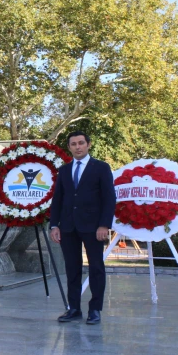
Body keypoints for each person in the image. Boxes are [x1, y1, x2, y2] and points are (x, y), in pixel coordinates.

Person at [49, 131, 116, 325]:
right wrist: (54, 225)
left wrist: (104, 224)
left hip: (94, 227)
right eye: (73, 144)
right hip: (68, 227)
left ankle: (95, 309)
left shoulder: (101, 168)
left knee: (96, 268)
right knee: (72, 269)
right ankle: (74, 308)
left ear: (88, 144)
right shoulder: (63, 170)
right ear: (69, 147)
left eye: (81, 143)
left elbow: (109, 198)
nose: (77, 147)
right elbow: (58, 200)